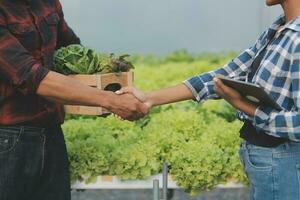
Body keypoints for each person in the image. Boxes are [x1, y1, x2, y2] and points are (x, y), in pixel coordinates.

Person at [117, 0, 300, 199]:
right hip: (268, 160)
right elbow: (224, 75)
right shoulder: (278, 29)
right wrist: (149, 98)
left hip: (284, 161)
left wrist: (243, 105)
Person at [0, 0, 148, 200]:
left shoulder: (47, 3)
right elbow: (30, 76)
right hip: (7, 141)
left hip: (51, 133)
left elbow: (71, 48)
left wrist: (108, 73)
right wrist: (109, 100)